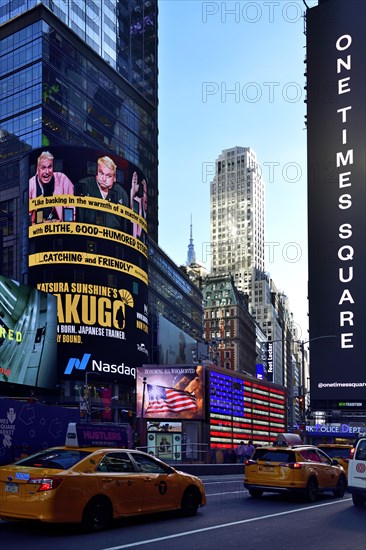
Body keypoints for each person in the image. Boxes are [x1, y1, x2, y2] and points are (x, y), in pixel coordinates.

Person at [77, 156, 129, 231]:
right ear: (96, 172)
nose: (104, 179)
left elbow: (125, 225)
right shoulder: (85, 184)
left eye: (108, 176)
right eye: (101, 173)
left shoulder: (122, 194)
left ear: (114, 178)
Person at [29, 151, 75, 224]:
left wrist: (65, 223)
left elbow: (72, 206)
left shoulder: (62, 179)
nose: (47, 172)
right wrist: (42, 222)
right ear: (38, 169)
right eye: (43, 168)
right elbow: (26, 215)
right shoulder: (31, 184)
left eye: (50, 167)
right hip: (38, 231)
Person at [130, 172, 148, 239]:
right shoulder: (137, 201)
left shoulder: (140, 203)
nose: (145, 196)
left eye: (146, 193)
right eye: (144, 192)